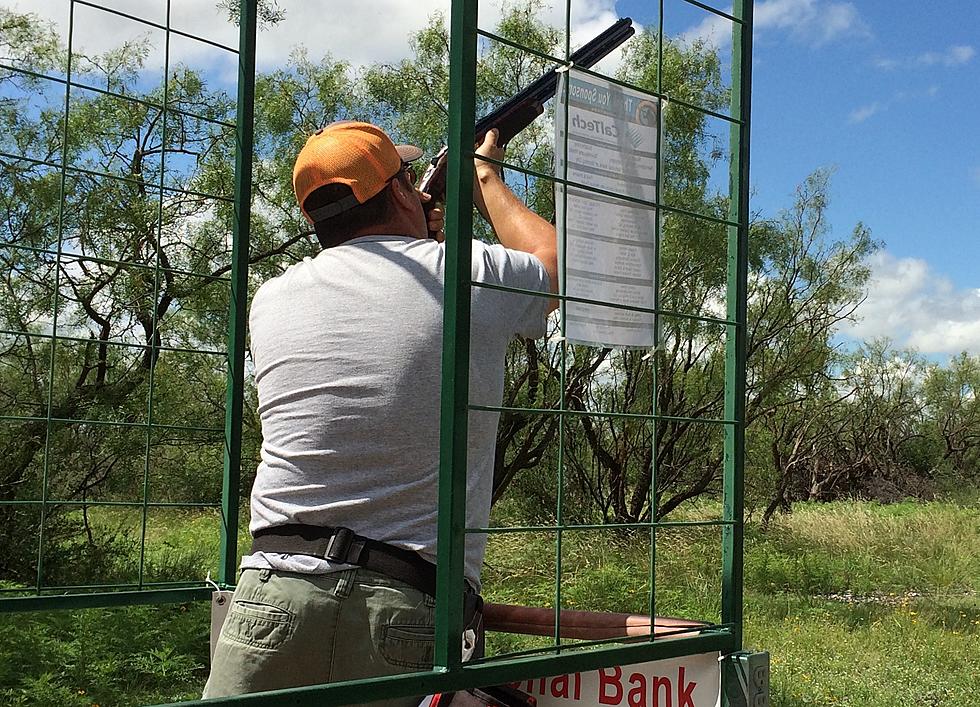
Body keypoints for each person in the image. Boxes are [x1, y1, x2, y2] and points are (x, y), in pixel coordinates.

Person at [203, 121, 558, 703]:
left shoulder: (271, 298)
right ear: (397, 192)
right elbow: (555, 267)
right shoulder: (463, 273)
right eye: (410, 180)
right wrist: (483, 174)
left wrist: (423, 234)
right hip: (401, 604)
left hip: (270, 592)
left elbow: (385, 305)